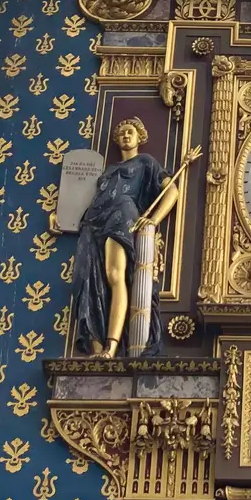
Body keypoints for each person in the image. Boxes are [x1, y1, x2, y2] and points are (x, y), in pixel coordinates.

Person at [71, 118, 177, 357]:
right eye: (121, 133)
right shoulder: (109, 171)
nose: (126, 136)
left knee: (114, 275)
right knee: (90, 279)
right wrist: (64, 222)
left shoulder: (146, 162)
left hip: (122, 215)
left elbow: (172, 191)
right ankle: (96, 345)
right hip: (94, 222)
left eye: (130, 132)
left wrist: (153, 219)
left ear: (140, 137)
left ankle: (112, 346)